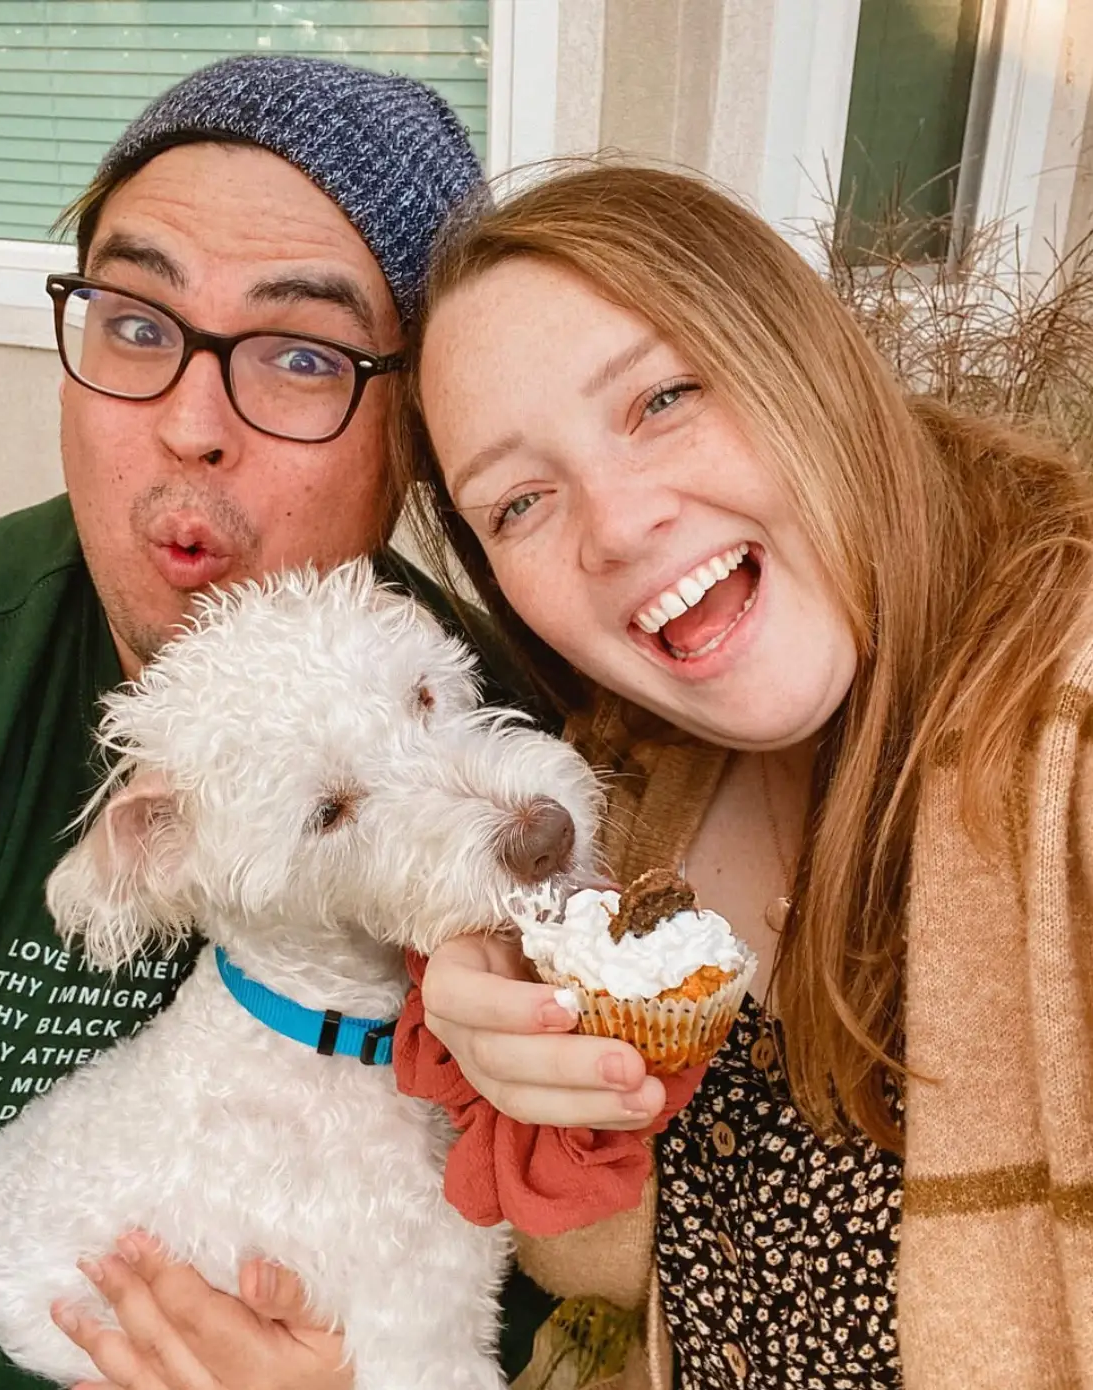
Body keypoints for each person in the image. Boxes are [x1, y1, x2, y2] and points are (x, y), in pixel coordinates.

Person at [393, 164, 1093, 1389]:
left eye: (661, 397)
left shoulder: (1061, 734)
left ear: (802, 360)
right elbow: (612, 1274)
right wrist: (500, 999)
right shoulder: (633, 787)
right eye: (518, 502)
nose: (616, 525)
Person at [0, 53, 495, 1390]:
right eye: (136, 323)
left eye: (302, 355)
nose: (188, 424)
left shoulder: (473, 726)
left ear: (416, 434)